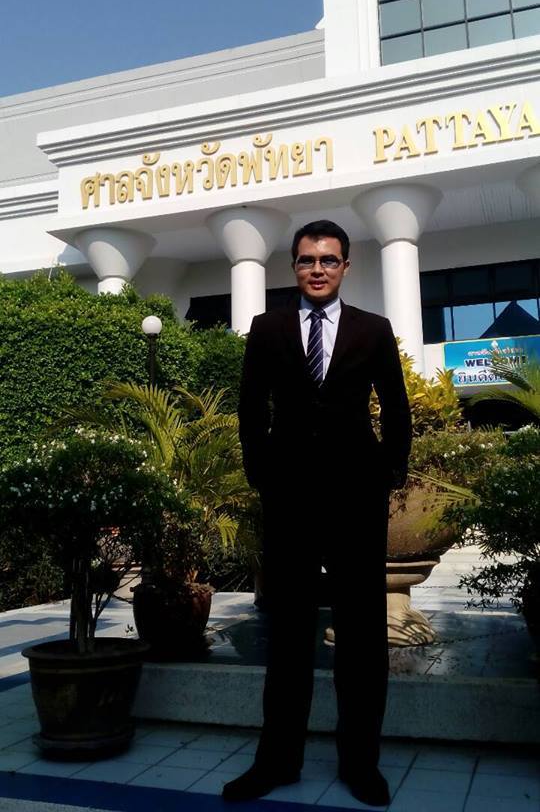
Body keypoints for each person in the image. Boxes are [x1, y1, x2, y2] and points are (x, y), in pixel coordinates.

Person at [222, 220, 412, 807]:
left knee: (362, 635)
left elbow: (396, 409)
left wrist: (388, 474)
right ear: (294, 267)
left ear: (346, 266)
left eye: (329, 260)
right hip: (290, 499)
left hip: (357, 498)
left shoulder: (373, 329)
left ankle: (361, 764)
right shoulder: (268, 328)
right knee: (288, 633)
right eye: (308, 260)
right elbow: (250, 408)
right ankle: (277, 761)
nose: (318, 269)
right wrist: (262, 474)